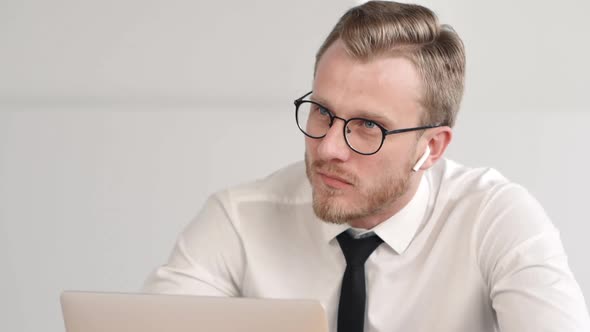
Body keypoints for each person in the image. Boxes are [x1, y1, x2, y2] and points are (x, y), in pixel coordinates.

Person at [143, 1, 590, 331]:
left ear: (431, 147)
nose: (330, 148)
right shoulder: (239, 218)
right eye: (322, 112)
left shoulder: (493, 219)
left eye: (367, 126)